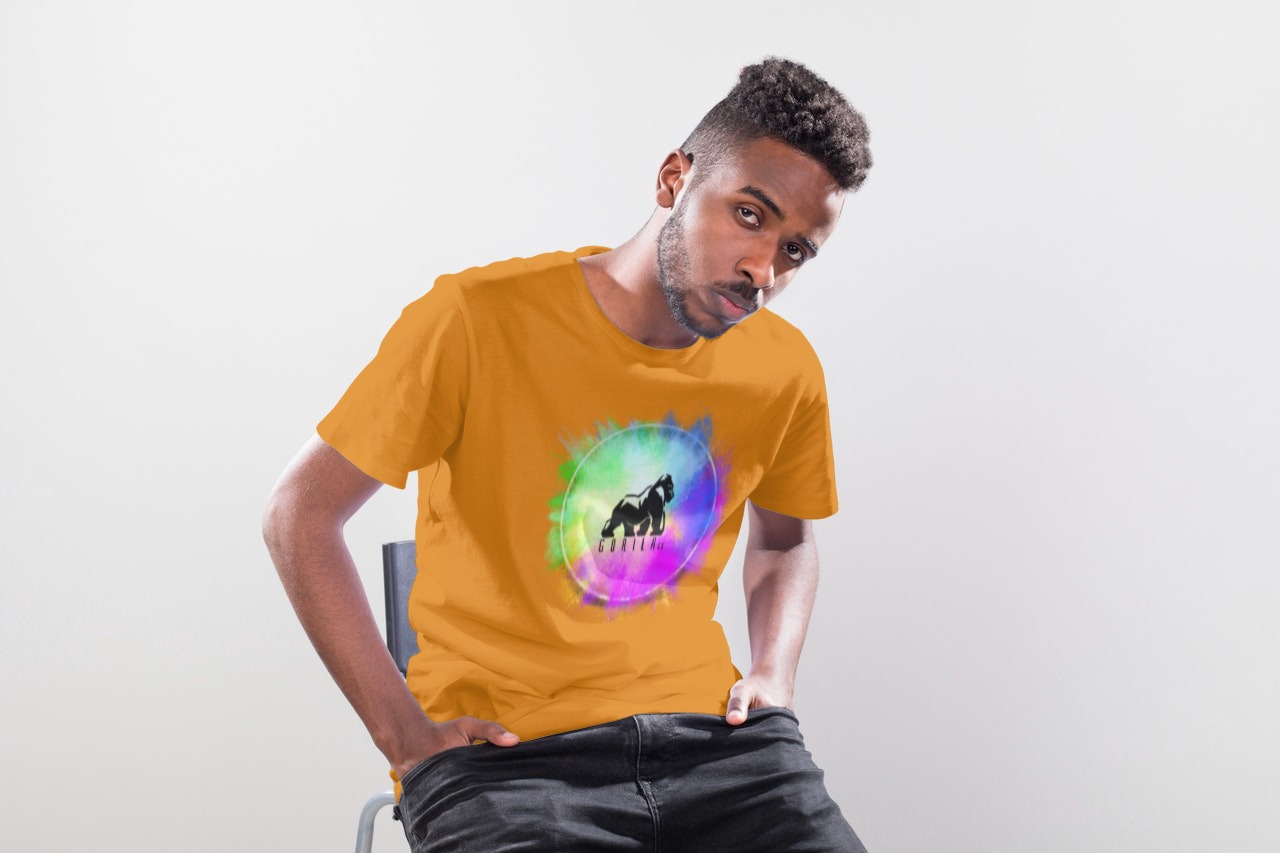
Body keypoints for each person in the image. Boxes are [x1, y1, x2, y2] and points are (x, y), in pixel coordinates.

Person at [263, 55, 872, 851]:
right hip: (511, 761)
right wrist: (406, 738)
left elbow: (786, 540)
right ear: (674, 179)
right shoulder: (476, 322)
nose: (762, 269)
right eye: (749, 215)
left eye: (795, 251)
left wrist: (774, 675)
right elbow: (298, 515)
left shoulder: (783, 369)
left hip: (717, 745)